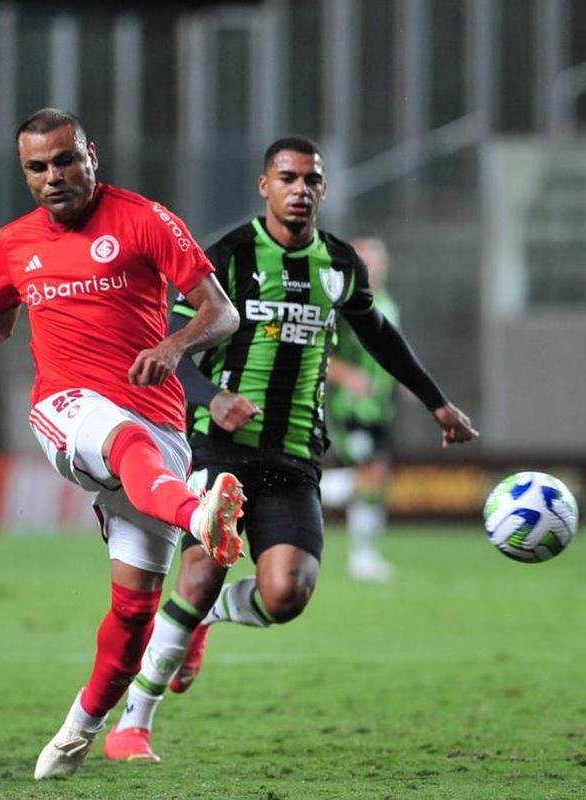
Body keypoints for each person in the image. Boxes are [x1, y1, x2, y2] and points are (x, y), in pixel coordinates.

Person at [0, 108, 246, 781]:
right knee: (120, 441)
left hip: (159, 427)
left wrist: (173, 344)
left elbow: (222, 311)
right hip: (67, 409)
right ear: (25, 173)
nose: (54, 176)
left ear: (90, 155)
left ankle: (77, 730)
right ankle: (200, 515)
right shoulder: (15, 244)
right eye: (38, 167)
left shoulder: (146, 219)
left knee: (132, 618)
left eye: (66, 160)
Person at [104, 136, 478, 762]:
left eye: (311, 179)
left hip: (295, 457)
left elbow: (380, 335)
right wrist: (208, 399)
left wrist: (436, 401)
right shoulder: (227, 255)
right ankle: (133, 724)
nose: (300, 189)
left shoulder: (339, 264)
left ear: (323, 190)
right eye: (288, 177)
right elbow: (170, 335)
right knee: (198, 569)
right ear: (265, 186)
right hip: (220, 450)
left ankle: (206, 619)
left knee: (287, 595)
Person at [326, 236, 400, 582]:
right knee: (369, 475)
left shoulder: (388, 303)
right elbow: (321, 355)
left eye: (378, 259)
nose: (374, 266)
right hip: (351, 407)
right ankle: (363, 556)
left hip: (380, 407)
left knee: (375, 478)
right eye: (366, 260)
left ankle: (366, 555)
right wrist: (349, 376)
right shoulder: (345, 307)